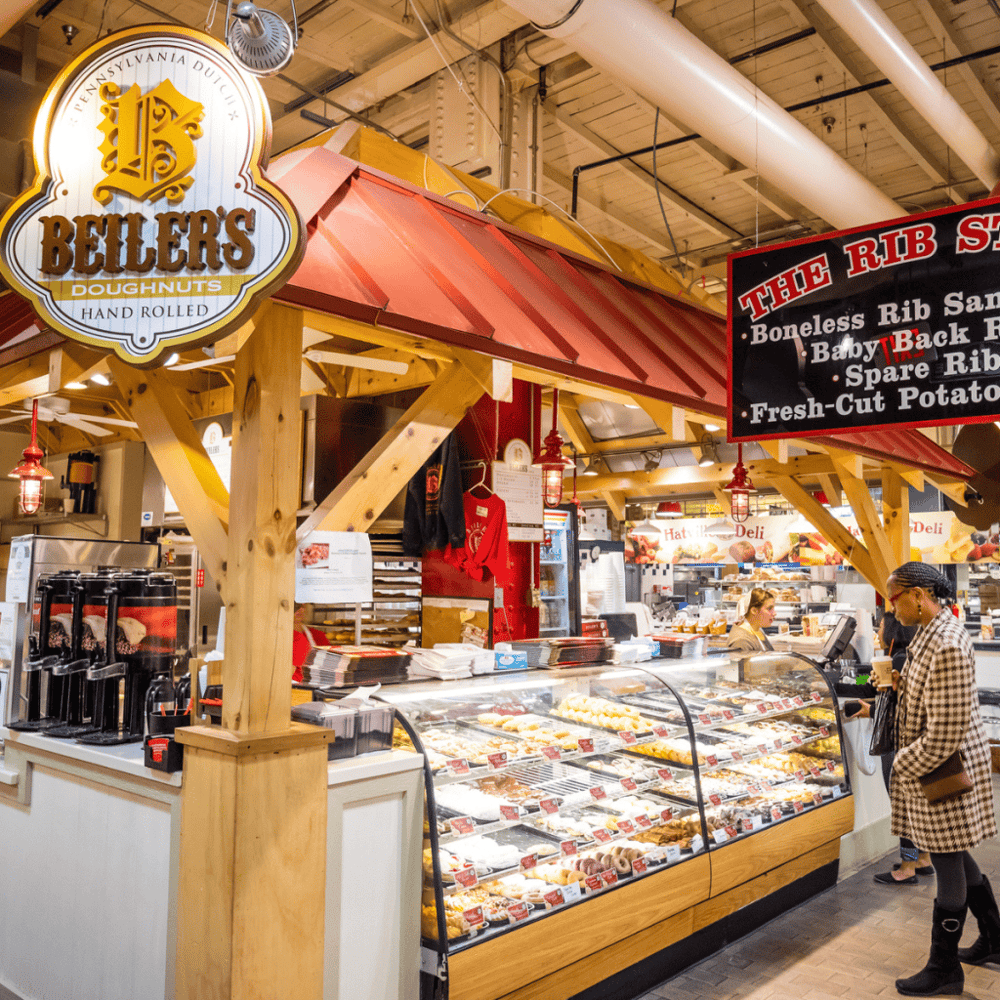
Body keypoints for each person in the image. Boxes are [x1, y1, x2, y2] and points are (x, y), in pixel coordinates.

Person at [884, 563, 999, 996]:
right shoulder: (933, 634)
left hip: (943, 772)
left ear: (918, 595)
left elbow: (945, 732)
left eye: (894, 599)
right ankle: (994, 939)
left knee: (947, 864)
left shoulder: (946, 642)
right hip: (941, 769)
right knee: (954, 851)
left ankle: (945, 967)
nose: (891, 608)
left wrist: (902, 763)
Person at [727, 588, 776, 652]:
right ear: (754, 611)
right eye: (769, 608)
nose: (774, 613)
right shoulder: (741, 641)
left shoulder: (757, 630)